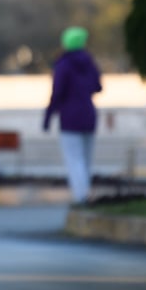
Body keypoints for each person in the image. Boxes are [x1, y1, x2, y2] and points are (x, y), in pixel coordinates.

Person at [43, 26, 103, 205]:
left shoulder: (63, 64)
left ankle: (81, 196)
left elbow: (57, 92)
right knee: (85, 159)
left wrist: (47, 117)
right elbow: (98, 87)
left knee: (74, 159)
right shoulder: (90, 63)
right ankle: (85, 193)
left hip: (69, 118)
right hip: (89, 115)